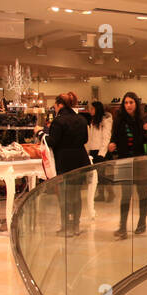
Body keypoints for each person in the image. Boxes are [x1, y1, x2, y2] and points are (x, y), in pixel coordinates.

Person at [107, 92, 147, 238]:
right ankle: (122, 226)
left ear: (136, 103)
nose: (128, 105)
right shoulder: (119, 120)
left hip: (141, 161)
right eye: (126, 102)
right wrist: (112, 144)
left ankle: (142, 222)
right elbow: (114, 137)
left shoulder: (144, 119)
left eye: (131, 102)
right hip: (124, 161)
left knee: (142, 193)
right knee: (125, 195)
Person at [47, 92, 90, 237]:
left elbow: (52, 142)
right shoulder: (82, 120)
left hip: (64, 161)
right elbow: (85, 139)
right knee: (76, 194)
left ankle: (66, 226)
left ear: (59, 105)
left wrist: (41, 134)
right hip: (80, 160)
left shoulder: (59, 121)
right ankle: (75, 225)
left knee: (64, 195)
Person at [86, 100, 114, 202]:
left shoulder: (105, 120)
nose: (90, 110)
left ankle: (111, 193)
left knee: (103, 175)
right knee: (96, 175)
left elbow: (106, 137)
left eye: (92, 109)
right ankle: (101, 194)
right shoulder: (93, 120)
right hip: (93, 150)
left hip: (101, 150)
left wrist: (102, 153)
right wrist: (88, 150)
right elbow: (91, 137)